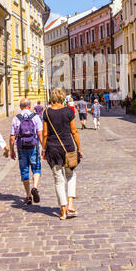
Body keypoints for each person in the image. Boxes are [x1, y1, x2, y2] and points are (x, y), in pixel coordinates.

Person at [42, 88, 83, 220]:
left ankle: (63, 210)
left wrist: (43, 150)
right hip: (68, 147)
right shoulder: (68, 111)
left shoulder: (46, 112)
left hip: (53, 148)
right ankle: (70, 202)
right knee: (71, 175)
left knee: (58, 180)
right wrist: (79, 148)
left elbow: (45, 133)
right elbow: (74, 131)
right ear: (63, 97)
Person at [10, 99, 43, 205]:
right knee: (36, 168)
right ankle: (35, 187)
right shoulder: (36, 117)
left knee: (24, 171)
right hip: (33, 146)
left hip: (21, 147)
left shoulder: (16, 118)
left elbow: (12, 137)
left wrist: (12, 150)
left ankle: (28, 195)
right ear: (30, 106)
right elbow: (40, 134)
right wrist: (44, 148)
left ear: (20, 107)